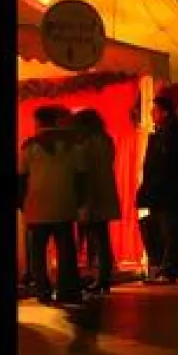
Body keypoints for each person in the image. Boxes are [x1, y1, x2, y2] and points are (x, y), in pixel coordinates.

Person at [19, 105, 86, 305]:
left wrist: (22, 203)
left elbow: (21, 178)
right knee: (66, 251)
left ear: (38, 122)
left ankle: (43, 291)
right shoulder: (72, 145)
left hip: (37, 205)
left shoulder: (29, 147)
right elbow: (81, 176)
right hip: (64, 203)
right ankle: (67, 290)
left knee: (38, 252)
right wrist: (80, 201)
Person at [137, 88, 178, 284]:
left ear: (165, 112)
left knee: (166, 230)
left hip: (164, 191)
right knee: (160, 229)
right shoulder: (165, 133)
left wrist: (149, 187)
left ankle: (167, 270)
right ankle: (164, 268)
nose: (152, 113)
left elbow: (162, 165)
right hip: (161, 191)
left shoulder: (169, 135)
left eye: (155, 110)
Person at [73, 108, 120, 295]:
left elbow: (83, 170)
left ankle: (101, 278)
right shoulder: (106, 141)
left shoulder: (85, 144)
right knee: (102, 237)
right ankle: (104, 277)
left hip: (91, 194)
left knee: (97, 237)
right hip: (104, 192)